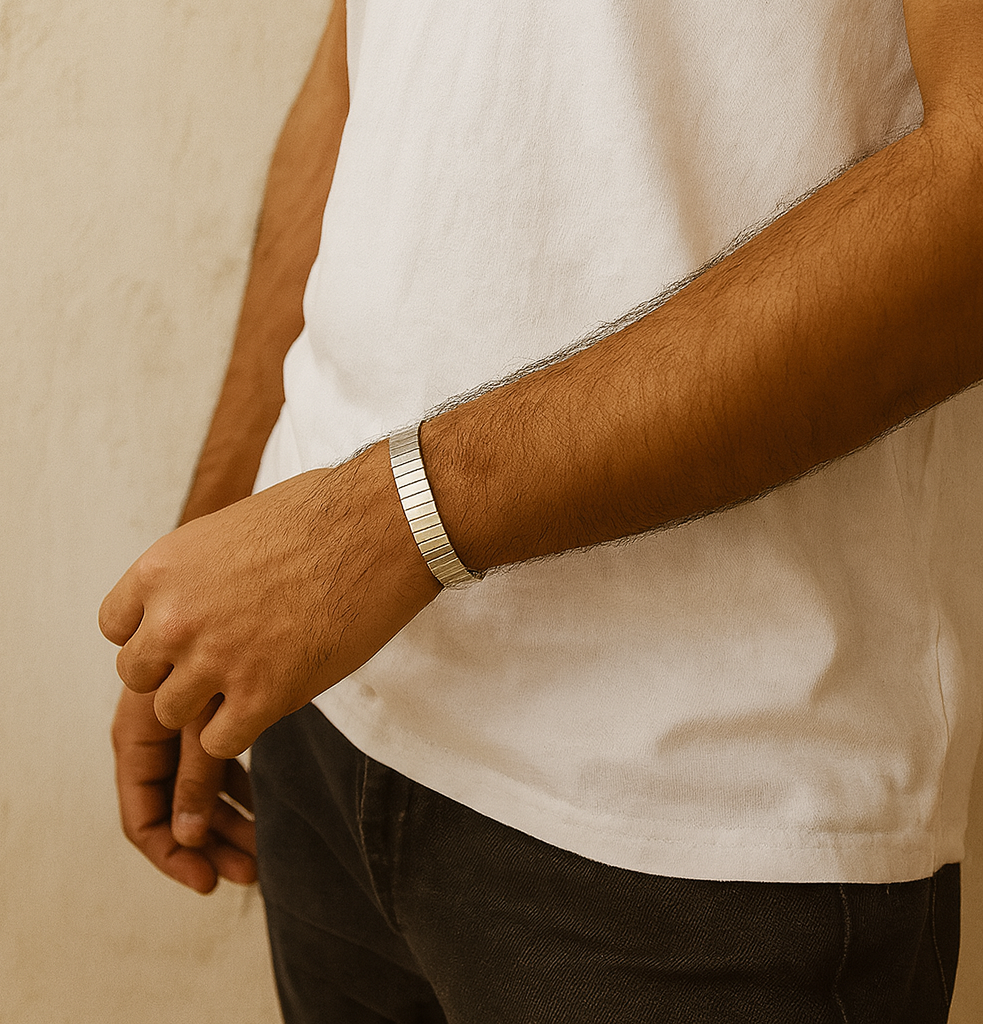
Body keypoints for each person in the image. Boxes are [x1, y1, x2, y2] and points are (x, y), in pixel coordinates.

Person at [101, 0, 983, 1020]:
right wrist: (211, 551)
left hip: (690, 826)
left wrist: (381, 527)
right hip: (322, 702)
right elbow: (357, 61)